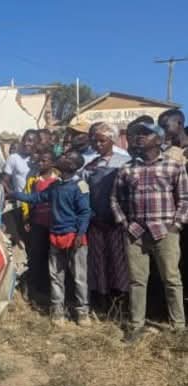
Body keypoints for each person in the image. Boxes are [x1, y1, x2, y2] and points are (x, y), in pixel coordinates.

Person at [110, 121, 188, 342]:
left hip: (165, 231)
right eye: (137, 134)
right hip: (135, 233)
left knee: (171, 279)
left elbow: (184, 199)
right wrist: (124, 223)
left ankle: (178, 326)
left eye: (146, 133)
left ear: (159, 139)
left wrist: (177, 225)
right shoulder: (127, 169)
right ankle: (136, 325)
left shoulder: (173, 166)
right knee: (137, 281)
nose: (139, 137)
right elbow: (115, 199)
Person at [9, 151, 91, 326]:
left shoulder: (80, 185)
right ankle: (57, 311)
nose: (61, 158)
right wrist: (14, 194)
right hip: (56, 236)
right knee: (56, 276)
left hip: (74, 237)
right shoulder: (55, 186)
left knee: (79, 277)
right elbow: (37, 198)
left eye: (67, 158)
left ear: (73, 166)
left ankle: (83, 313)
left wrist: (80, 234)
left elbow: (85, 212)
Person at [82, 122, 131, 310]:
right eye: (95, 141)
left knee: (119, 262)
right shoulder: (90, 166)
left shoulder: (125, 161)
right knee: (98, 261)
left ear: (112, 140)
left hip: (118, 221)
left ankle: (120, 302)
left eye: (102, 141)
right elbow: (85, 194)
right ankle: (101, 301)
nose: (98, 145)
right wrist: (92, 215)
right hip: (96, 221)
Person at [21, 145, 59, 300]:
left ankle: (51, 288)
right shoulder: (33, 179)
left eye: (44, 161)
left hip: (55, 224)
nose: (40, 164)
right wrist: (26, 217)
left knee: (53, 256)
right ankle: (36, 288)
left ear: (52, 163)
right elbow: (27, 198)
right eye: (40, 161)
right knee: (37, 254)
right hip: (37, 223)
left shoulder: (58, 179)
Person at [2, 129, 38, 194]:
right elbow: (4, 181)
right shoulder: (14, 158)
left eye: (30, 141)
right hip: (21, 199)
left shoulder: (41, 160)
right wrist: (12, 194)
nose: (26, 143)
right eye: (24, 140)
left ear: (37, 143)